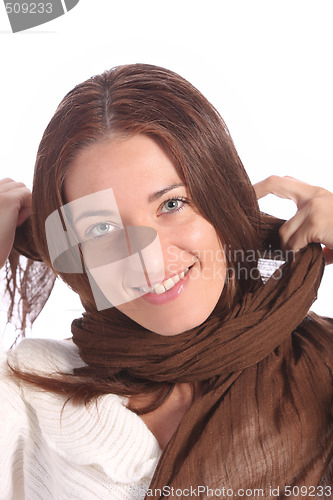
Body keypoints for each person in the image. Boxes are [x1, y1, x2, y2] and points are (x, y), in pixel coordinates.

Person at [0, 64, 332, 500]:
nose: (148, 261)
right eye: (100, 228)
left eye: (172, 203)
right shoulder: (29, 391)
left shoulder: (322, 363)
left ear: (223, 200)